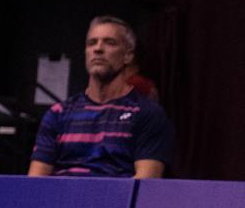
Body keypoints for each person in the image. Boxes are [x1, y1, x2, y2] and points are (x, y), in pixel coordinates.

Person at [29, 16, 173, 178]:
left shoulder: (147, 113)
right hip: (63, 201)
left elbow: (145, 183)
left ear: (128, 56)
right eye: (92, 43)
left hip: (116, 201)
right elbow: (36, 182)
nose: (98, 49)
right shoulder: (58, 113)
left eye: (110, 42)